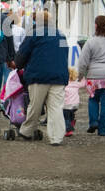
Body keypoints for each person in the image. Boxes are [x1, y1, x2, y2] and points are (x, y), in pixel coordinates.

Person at [13, 10, 69, 145]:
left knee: (35, 106)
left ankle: (26, 131)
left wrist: (17, 65)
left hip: (38, 76)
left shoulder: (33, 35)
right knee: (55, 107)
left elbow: (22, 54)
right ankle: (56, 137)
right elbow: (64, 52)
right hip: (58, 76)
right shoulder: (60, 35)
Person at [62, 67, 86, 136]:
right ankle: (72, 121)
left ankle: (69, 130)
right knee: (71, 114)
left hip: (66, 105)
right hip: (75, 104)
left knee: (65, 117)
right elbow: (83, 84)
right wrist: (83, 77)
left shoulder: (64, 84)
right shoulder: (76, 83)